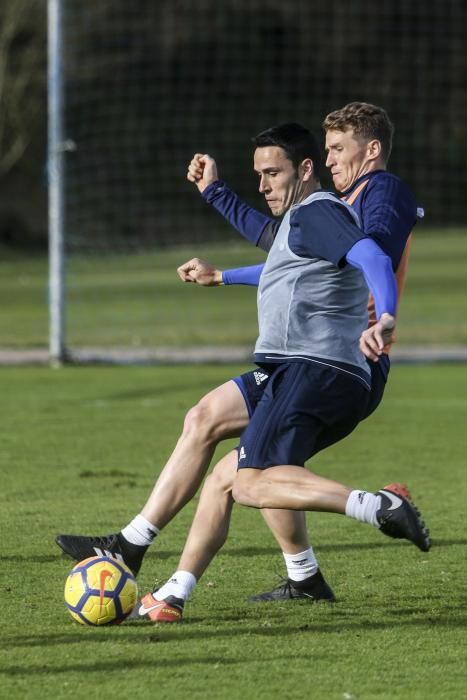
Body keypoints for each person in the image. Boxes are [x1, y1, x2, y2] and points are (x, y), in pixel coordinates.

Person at [56, 105, 425, 607]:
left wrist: (384, 312)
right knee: (211, 431)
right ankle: (148, 561)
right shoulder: (321, 208)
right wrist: (218, 231)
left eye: (338, 148)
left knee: (251, 479)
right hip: (297, 362)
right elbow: (280, 252)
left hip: (325, 361)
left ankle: (374, 507)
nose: (332, 156)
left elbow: (372, 252)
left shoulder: (373, 193)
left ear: (370, 150)